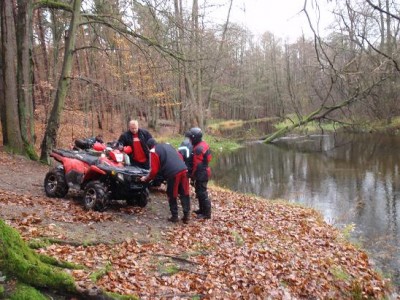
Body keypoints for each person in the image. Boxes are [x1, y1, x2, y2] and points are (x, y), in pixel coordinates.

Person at [140, 138, 191, 224]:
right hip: (184, 169)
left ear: (148, 147)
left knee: (172, 194)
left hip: (173, 173)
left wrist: (145, 178)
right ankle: (186, 216)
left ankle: (174, 216)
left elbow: (154, 170)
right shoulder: (168, 145)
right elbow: (180, 156)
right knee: (184, 193)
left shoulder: (153, 151)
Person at [188, 127, 212, 219]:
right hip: (203, 171)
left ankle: (207, 213)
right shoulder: (203, 144)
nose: (190, 139)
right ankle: (202, 210)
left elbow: (196, 165)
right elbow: (209, 158)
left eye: (191, 138)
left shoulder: (198, 149)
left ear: (195, 138)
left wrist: (192, 175)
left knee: (202, 193)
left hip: (201, 173)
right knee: (199, 192)